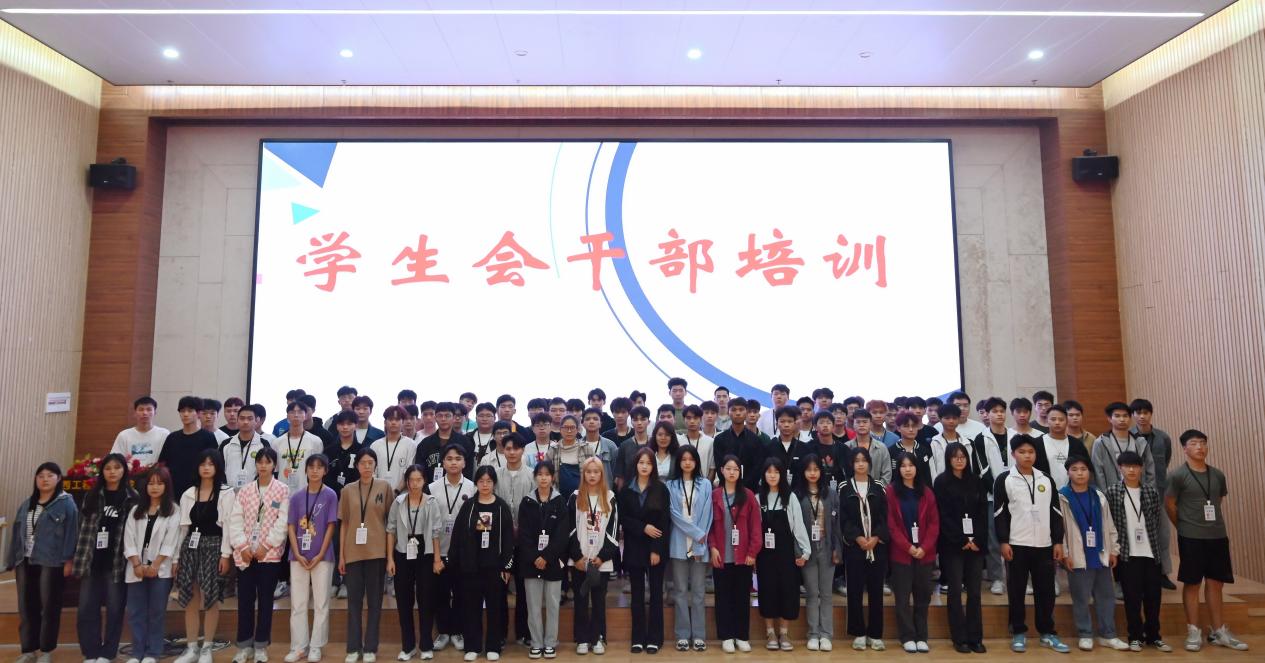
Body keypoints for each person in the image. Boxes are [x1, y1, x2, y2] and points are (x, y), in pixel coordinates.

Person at [1165, 429, 1249, 651]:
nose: (1200, 447)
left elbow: (1217, 501)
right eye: (1194, 443)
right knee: (1192, 583)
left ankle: (1218, 631)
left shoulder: (1218, 475)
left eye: (1203, 443)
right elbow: (1170, 504)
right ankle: (1193, 631)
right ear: (1185, 449)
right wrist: (1183, 526)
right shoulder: (1177, 475)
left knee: (1215, 583)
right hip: (1191, 536)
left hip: (1217, 535)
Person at [994, 434, 1069, 653]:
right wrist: (1003, 541)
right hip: (1016, 544)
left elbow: (1056, 512)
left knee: (1046, 591)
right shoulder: (1004, 479)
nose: (1027, 456)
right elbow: (999, 514)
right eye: (1022, 452)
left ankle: (1047, 632)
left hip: (1044, 545)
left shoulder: (1046, 479)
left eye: (1031, 452)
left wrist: (1058, 541)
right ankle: (1018, 631)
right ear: (1013, 454)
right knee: (1016, 590)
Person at [1100, 451, 1170, 652]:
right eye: (1127, 466)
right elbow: (1109, 523)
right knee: (1132, 598)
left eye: (1135, 466)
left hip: (1151, 553)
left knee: (1153, 598)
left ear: (1141, 469)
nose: (1131, 470)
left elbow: (1156, 520)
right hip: (1127, 554)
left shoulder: (1151, 492)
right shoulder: (1112, 492)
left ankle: (1154, 636)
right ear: (1120, 468)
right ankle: (1135, 636)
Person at [8, 462, 78, 663]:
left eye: (50, 475)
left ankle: (46, 651)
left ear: (58, 479)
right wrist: (12, 559)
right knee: (26, 606)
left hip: (52, 562)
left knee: (49, 607)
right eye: (41, 476)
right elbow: (17, 533)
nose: (45, 479)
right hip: (25, 561)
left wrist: (68, 560)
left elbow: (72, 533)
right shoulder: (27, 504)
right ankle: (28, 650)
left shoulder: (66, 503)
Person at [1059, 456, 1129, 652]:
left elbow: (1109, 525)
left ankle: (1108, 635)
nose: (1080, 473)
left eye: (1083, 469)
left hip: (1100, 554)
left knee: (1106, 597)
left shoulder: (1098, 495)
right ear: (1068, 473)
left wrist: (1113, 550)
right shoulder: (1062, 497)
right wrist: (1065, 553)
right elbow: (1059, 529)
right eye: (1075, 469)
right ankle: (1085, 634)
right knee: (1081, 598)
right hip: (1077, 556)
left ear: (1089, 472)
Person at [73, 452, 139, 663]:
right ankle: (90, 652)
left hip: (117, 562)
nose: (112, 472)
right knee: (86, 609)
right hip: (91, 559)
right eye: (108, 468)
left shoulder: (133, 497)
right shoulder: (92, 495)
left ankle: (108, 653)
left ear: (124, 471)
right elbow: (80, 528)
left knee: (115, 609)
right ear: (102, 472)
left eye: (117, 468)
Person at [229, 447, 291, 662]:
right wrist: (242, 547)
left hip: (269, 555)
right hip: (245, 554)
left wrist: (266, 545)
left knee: (266, 601)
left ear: (274, 465)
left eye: (268, 462)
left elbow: (283, 522)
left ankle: (261, 646)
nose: (263, 466)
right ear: (255, 465)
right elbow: (235, 520)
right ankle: (244, 646)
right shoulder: (245, 490)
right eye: (260, 462)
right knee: (245, 601)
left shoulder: (282, 490)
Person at [173, 450, 235, 663]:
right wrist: (176, 558)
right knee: (190, 597)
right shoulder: (188, 493)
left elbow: (228, 527)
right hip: (190, 548)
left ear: (217, 467)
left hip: (214, 546)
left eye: (211, 464)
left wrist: (226, 555)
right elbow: (182, 529)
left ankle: (207, 647)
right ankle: (191, 648)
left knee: (210, 598)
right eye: (203, 464)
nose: (206, 468)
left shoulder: (226, 493)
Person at [450, 466, 516, 662]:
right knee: (471, 607)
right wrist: (455, 562)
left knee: (495, 608)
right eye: (481, 481)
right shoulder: (469, 506)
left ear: (494, 483)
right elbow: (457, 536)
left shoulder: (502, 507)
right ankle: (473, 646)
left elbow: (509, 540)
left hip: (495, 568)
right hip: (471, 567)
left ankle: (493, 646)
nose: (485, 485)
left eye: (489, 481)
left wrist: (507, 566)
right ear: (476, 483)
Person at [933, 442, 988, 654]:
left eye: (962, 456)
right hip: (952, 544)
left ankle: (975, 637)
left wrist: (976, 540)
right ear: (948, 459)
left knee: (974, 592)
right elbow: (943, 515)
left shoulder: (977, 481)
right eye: (955, 456)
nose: (959, 460)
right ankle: (959, 638)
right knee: (955, 591)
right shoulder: (941, 482)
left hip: (976, 545)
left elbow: (983, 514)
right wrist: (962, 539)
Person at [385, 464, 443, 661]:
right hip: (403, 553)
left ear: (424, 481)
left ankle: (426, 645)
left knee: (426, 600)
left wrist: (437, 559)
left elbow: (435, 533)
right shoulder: (398, 502)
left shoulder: (431, 502)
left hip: (425, 554)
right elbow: (390, 530)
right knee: (404, 601)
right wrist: (390, 559)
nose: (415, 484)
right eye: (412, 480)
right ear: (407, 482)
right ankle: (408, 646)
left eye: (419, 480)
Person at [338, 448, 391, 663]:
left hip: (377, 552)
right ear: (357, 466)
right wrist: (342, 555)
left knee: (375, 602)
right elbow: (344, 523)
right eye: (363, 463)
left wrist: (389, 555)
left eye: (370, 462)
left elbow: (390, 523)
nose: (367, 466)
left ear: (375, 465)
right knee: (354, 603)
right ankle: (353, 648)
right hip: (352, 553)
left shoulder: (384, 487)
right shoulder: (347, 490)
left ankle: (370, 647)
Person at [124, 466, 181, 663]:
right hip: (136, 568)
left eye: (159, 483)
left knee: (156, 612)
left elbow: (171, 541)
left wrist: (155, 565)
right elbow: (128, 539)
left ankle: (152, 652)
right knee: (136, 612)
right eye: (151, 483)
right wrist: (136, 564)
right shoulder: (135, 510)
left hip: (160, 569)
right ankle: (137, 652)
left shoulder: (173, 510)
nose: (155, 487)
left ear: (167, 486)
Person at [287, 454, 339, 663]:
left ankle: (316, 646)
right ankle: (299, 646)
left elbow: (331, 526)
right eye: (311, 467)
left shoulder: (330, 495)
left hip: (322, 556)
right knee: (298, 603)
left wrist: (320, 554)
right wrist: (297, 552)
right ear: (306, 470)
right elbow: (291, 526)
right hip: (298, 556)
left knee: (321, 603)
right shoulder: (296, 497)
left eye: (319, 467)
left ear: (325, 471)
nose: (315, 470)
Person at [617, 447, 670, 654]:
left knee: (656, 595)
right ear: (636, 465)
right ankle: (638, 638)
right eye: (641, 463)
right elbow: (623, 519)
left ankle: (655, 638)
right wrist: (642, 528)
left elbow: (665, 522)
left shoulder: (661, 489)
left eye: (648, 463)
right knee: (637, 595)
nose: (645, 466)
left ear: (653, 466)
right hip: (634, 547)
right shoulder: (626, 490)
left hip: (655, 548)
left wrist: (657, 550)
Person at [755, 458, 810, 651]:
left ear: (782, 475)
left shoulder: (790, 497)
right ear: (764, 474)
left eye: (776, 472)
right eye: (769, 472)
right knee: (767, 591)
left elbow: (799, 526)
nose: (772, 475)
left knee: (788, 591)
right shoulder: (758, 498)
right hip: (764, 555)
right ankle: (770, 632)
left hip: (786, 554)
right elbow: (754, 530)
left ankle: (784, 633)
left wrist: (806, 551)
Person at [886, 452, 939, 654]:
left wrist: (924, 547)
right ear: (898, 469)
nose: (907, 469)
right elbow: (891, 525)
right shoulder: (891, 492)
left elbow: (934, 524)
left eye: (911, 465)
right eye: (903, 466)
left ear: (917, 468)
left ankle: (921, 636)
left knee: (922, 597)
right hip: (901, 554)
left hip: (925, 554)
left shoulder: (927, 492)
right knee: (902, 598)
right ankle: (907, 636)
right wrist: (908, 547)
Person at [566, 456, 619, 655]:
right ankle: (581, 639)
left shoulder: (610, 497)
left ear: (602, 474)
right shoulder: (575, 497)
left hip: (600, 561)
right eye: (588, 471)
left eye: (596, 472)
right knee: (580, 600)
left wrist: (602, 556)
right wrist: (577, 557)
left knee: (598, 601)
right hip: (580, 561)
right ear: (583, 474)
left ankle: (597, 638)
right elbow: (569, 528)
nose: (592, 475)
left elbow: (613, 531)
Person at [709, 455, 761, 654]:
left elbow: (755, 527)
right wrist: (713, 547)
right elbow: (709, 525)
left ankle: (742, 636)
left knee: (741, 597)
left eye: (736, 469)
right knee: (723, 597)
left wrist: (752, 552)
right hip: (721, 556)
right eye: (728, 468)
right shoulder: (714, 495)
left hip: (743, 557)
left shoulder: (748, 495)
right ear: (722, 470)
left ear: (740, 472)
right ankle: (726, 636)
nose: (732, 472)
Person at [839, 447, 887, 651]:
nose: (860, 464)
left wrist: (875, 537)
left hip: (877, 547)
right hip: (855, 547)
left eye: (864, 460)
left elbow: (884, 516)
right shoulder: (844, 487)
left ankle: (875, 634)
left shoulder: (878, 487)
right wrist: (858, 538)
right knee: (855, 590)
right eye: (856, 460)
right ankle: (858, 632)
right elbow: (843, 518)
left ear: (869, 463)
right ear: (851, 464)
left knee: (876, 591)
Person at [518, 462, 567, 660]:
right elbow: (523, 535)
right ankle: (536, 643)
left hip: (553, 562)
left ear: (552, 477)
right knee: (533, 606)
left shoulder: (560, 502)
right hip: (531, 563)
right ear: (535, 477)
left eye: (547, 474)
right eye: (540, 474)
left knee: (553, 605)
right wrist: (535, 557)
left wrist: (546, 556)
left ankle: (550, 642)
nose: (544, 478)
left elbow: (562, 535)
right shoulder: (527, 502)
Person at [431, 444, 475, 652]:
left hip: (463, 553)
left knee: (461, 594)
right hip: (439, 551)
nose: (454, 462)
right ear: (443, 463)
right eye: (449, 459)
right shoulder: (432, 488)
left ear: (464, 463)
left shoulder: (472, 488)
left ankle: (457, 631)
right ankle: (443, 632)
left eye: (458, 458)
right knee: (440, 594)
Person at [667, 446, 712, 652]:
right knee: (680, 591)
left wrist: (699, 537)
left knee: (699, 592)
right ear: (678, 462)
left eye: (691, 459)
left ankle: (699, 635)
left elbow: (707, 513)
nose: (687, 462)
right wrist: (696, 532)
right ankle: (682, 635)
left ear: (696, 462)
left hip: (700, 544)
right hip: (679, 542)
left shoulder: (706, 484)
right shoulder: (670, 485)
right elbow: (673, 514)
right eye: (683, 459)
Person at [1128, 398, 1176, 589]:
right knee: (1136, 534)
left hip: (1158, 494)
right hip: (1133, 494)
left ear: (1151, 414)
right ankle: (1138, 576)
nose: (1142, 416)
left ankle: (1162, 573)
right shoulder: (1128, 437)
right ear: (1133, 415)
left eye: (1145, 412)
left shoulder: (1163, 438)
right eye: (1138, 413)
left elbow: (1166, 460)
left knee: (1162, 534)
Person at [796, 454, 841, 652]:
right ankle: (813, 634)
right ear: (803, 472)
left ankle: (826, 634)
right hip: (807, 550)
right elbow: (794, 528)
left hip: (827, 546)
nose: (812, 473)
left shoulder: (831, 494)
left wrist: (837, 549)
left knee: (826, 593)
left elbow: (837, 525)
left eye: (816, 469)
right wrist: (799, 552)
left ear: (821, 472)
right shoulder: (797, 495)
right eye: (809, 470)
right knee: (812, 593)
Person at [160, 396, 221, 506]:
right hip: (174, 490)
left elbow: (215, 465)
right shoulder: (172, 438)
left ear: (198, 413)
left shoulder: (208, 437)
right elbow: (163, 464)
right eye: (182, 411)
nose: (185, 414)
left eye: (190, 411)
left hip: (198, 490)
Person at [1091, 402, 1155, 491]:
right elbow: (1098, 472)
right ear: (1109, 419)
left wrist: (1149, 491)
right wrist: (1104, 495)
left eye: (1125, 416)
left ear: (1130, 418)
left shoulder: (1141, 442)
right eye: (1117, 416)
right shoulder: (1100, 443)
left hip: (1139, 491)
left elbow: (1150, 469)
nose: (1122, 419)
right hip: (1112, 493)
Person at [111, 396, 171, 468]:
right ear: (135, 413)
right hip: (131, 474)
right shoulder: (124, 435)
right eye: (141, 409)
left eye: (149, 409)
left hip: (155, 474)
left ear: (155, 412)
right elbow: (114, 460)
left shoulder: (164, 434)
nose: (145, 413)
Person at [222, 404, 271, 491]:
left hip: (254, 493)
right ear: (237, 420)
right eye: (242, 418)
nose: (245, 422)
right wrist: (226, 490)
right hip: (229, 493)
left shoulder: (263, 444)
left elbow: (267, 470)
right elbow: (220, 469)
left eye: (250, 418)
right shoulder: (226, 444)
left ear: (256, 420)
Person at [371, 406, 418, 493]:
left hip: (402, 495)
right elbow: (373, 472)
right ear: (385, 422)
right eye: (390, 419)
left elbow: (409, 472)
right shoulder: (375, 445)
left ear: (402, 422)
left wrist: (396, 492)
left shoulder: (411, 445)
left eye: (397, 419)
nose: (393, 422)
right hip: (378, 494)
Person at [845, 409, 892, 484]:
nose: (861, 425)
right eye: (858, 422)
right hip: (851, 489)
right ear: (853, 425)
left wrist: (877, 489)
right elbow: (843, 473)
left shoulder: (881, 447)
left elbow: (887, 474)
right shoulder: (846, 447)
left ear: (871, 424)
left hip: (877, 489)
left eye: (865, 422)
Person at [677, 404, 715, 482]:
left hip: (703, 483)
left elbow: (712, 468)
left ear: (701, 419)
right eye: (688, 418)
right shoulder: (678, 441)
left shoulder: (710, 441)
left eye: (695, 418)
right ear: (684, 419)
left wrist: (707, 485)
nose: (692, 421)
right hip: (682, 483)